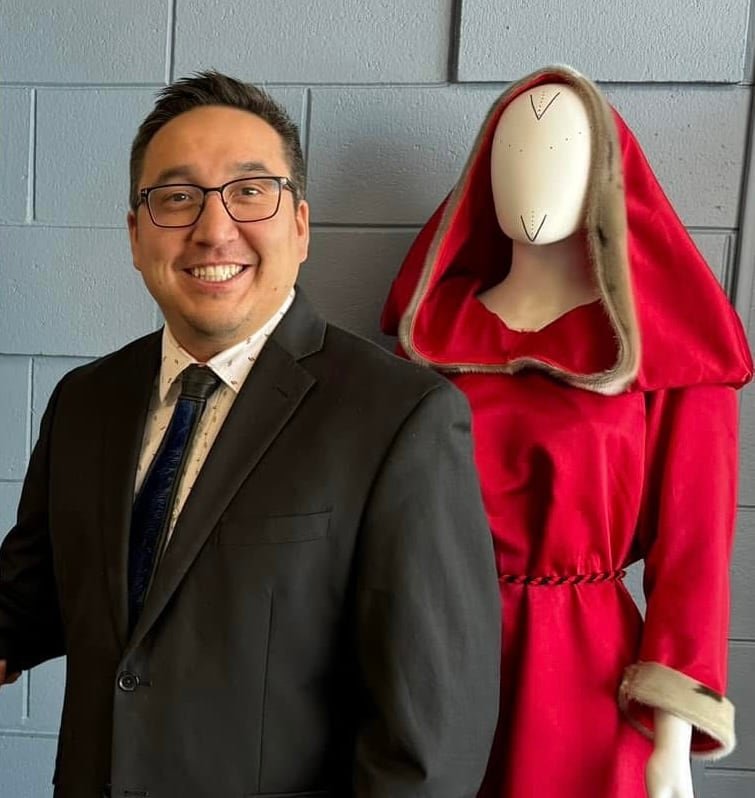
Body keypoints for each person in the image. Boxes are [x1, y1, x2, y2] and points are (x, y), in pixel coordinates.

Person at [0, 71, 501, 798]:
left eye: (249, 191)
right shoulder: (85, 400)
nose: (212, 227)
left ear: (299, 226)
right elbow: (32, 596)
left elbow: (428, 745)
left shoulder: (401, 419)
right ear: (136, 237)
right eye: (175, 198)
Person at [381, 65, 753, 798]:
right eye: (513, 153)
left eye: (560, 151)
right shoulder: (432, 334)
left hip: (583, 680)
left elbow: (693, 560)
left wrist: (671, 739)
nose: (532, 176)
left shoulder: (667, 350)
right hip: (438, 657)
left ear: (604, 175)